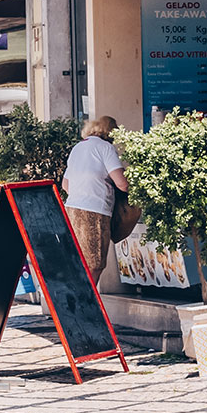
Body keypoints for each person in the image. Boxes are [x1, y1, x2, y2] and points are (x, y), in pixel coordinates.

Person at [64, 115, 128, 287]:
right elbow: (122, 183)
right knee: (95, 263)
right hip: (94, 211)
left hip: (71, 210)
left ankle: (79, 301)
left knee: (80, 262)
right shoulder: (105, 148)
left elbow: (66, 185)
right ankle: (86, 303)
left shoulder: (78, 148)